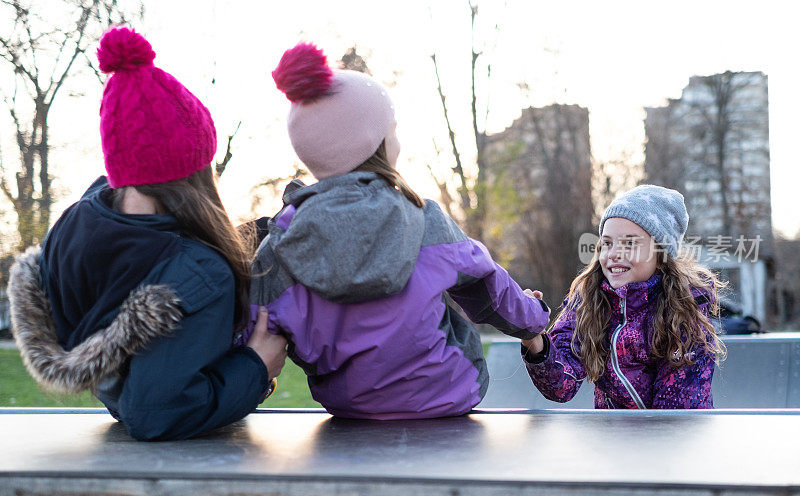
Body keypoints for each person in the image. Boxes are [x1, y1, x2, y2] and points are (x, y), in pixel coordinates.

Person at [6, 27, 287, 440]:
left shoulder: (79, 222)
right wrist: (255, 367)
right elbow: (154, 411)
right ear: (196, 166)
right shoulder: (202, 272)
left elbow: (156, 257)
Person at [247, 43, 550, 419]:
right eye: (393, 131)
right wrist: (533, 319)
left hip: (350, 408)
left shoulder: (280, 249)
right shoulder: (423, 221)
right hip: (450, 392)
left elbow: (254, 331)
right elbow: (489, 286)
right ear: (378, 144)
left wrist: (254, 381)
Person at [522, 185, 725, 409]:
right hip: (613, 438)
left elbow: (677, 410)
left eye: (630, 243)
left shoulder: (684, 311)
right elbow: (561, 386)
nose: (614, 253)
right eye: (607, 243)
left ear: (660, 253)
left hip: (671, 438)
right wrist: (534, 338)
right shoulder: (588, 300)